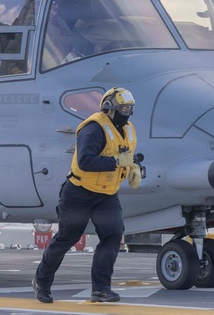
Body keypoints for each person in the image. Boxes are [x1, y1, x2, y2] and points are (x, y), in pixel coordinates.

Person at [32, 87, 143, 303]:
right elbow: (85, 161)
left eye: (130, 108)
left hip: (107, 194)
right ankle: (42, 282)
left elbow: (127, 155)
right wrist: (117, 163)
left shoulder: (128, 129)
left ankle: (101, 289)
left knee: (113, 234)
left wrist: (136, 168)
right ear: (110, 108)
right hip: (79, 193)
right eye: (123, 108)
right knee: (66, 239)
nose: (127, 112)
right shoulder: (93, 129)